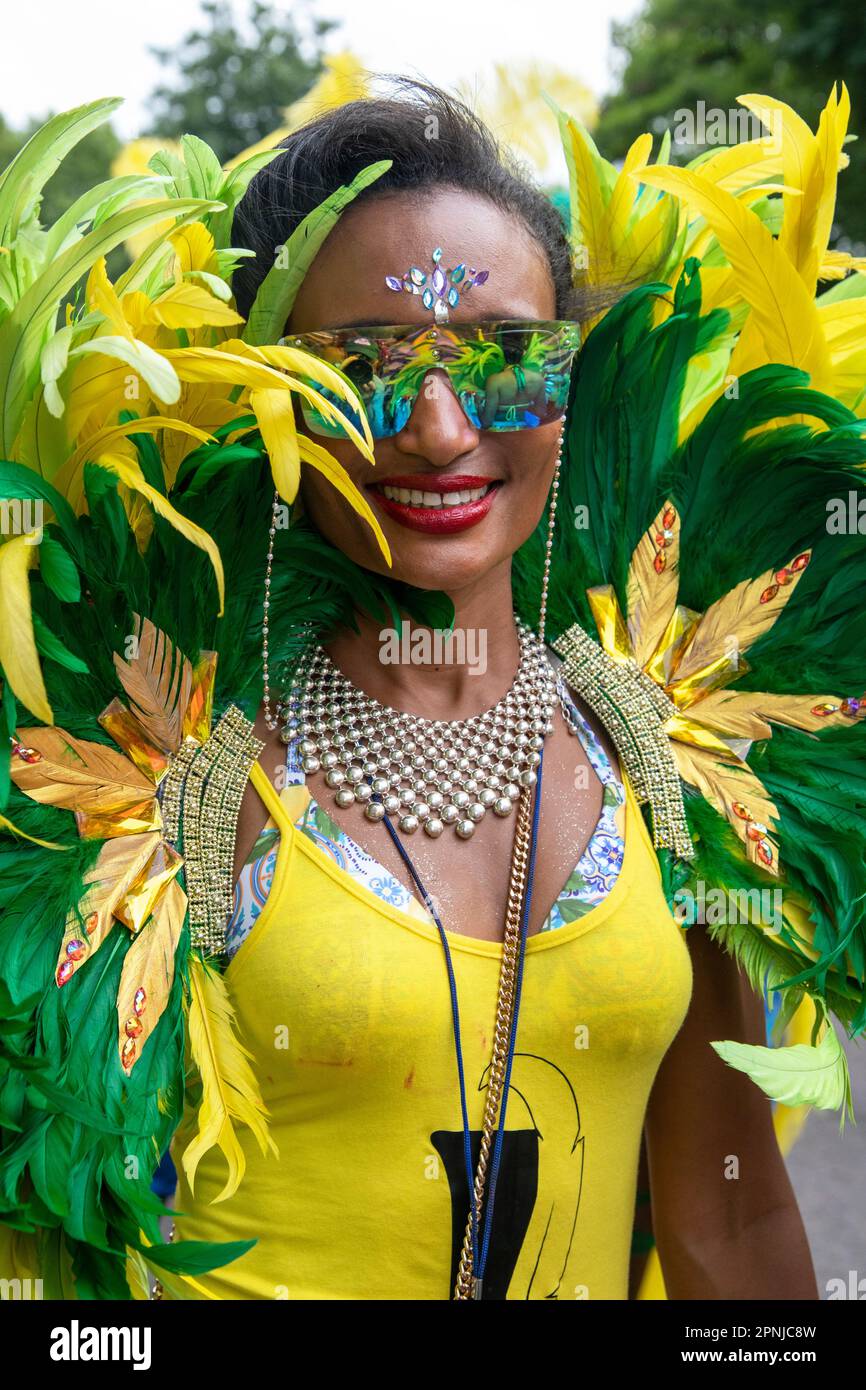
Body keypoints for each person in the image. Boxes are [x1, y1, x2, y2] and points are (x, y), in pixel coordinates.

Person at [1, 78, 864, 1302]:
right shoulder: (167, 783)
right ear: (269, 399)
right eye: (364, 372)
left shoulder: (669, 761)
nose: (443, 431)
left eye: (507, 359)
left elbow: (726, 1223)